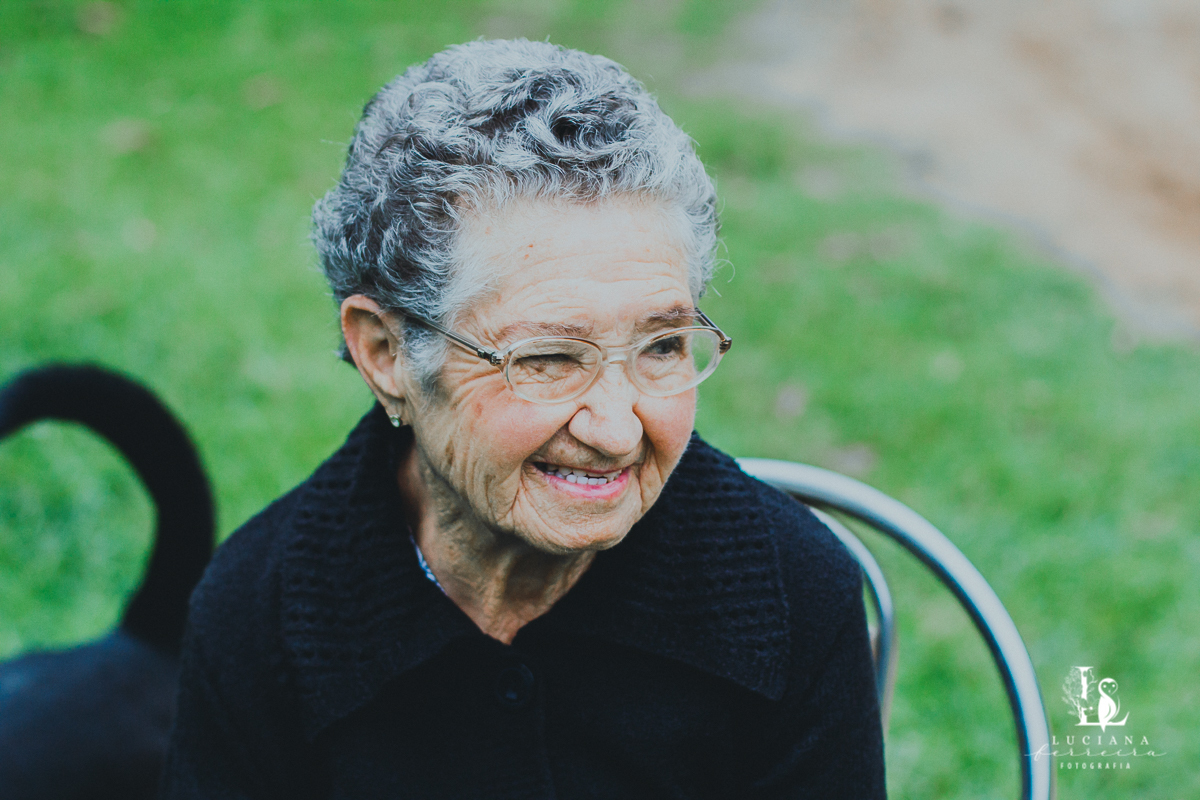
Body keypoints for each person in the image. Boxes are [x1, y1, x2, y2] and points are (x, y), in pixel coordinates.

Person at [160, 39, 886, 799]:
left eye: (663, 345)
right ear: (385, 352)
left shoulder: (789, 596)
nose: (616, 430)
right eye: (545, 359)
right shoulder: (263, 615)